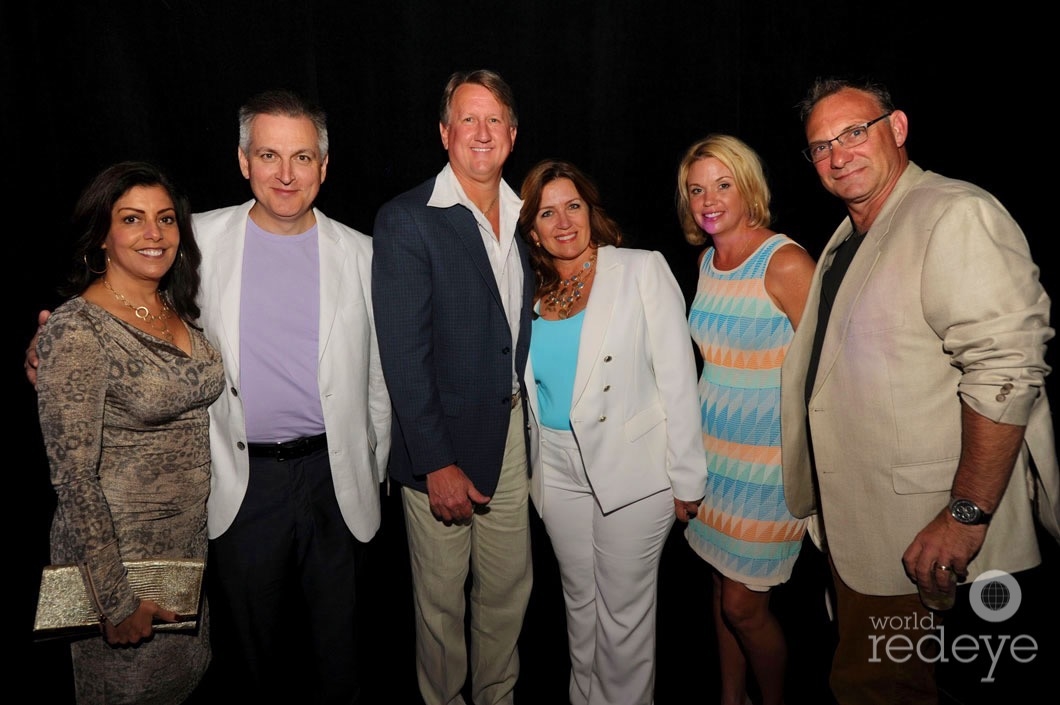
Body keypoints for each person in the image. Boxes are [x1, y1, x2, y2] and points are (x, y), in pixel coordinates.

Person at [28, 90, 391, 704]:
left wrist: (371, 468)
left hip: (337, 483)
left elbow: (378, 381)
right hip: (240, 485)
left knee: (342, 660)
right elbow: (116, 311)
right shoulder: (189, 238)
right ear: (243, 161)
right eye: (269, 154)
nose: (285, 173)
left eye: (302, 157)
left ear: (324, 167)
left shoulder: (363, 253)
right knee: (250, 663)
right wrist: (47, 345)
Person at [781, 76, 1059, 704]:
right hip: (872, 522)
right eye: (820, 146)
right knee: (874, 680)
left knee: (884, 686)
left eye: (854, 133)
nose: (838, 154)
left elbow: (1005, 372)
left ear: (897, 128)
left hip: (930, 529)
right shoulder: (849, 236)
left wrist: (966, 514)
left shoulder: (954, 212)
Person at [371, 69, 533, 705]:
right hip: (439, 446)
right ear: (445, 134)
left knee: (507, 594)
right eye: (468, 118)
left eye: (495, 119)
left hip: (512, 437)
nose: (482, 132)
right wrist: (435, 460)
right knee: (440, 606)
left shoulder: (527, 217)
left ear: (513, 136)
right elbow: (403, 356)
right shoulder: (409, 220)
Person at [518, 159, 706, 705]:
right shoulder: (530, 290)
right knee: (580, 606)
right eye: (547, 213)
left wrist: (688, 478)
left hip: (632, 468)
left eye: (572, 206)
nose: (563, 222)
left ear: (590, 211)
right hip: (555, 469)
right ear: (532, 229)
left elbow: (677, 375)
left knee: (623, 618)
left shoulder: (640, 269)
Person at [35, 161, 224, 704]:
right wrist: (114, 601)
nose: (154, 234)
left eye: (165, 219)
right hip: (117, 569)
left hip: (184, 559)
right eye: (133, 219)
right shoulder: (78, 327)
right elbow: (72, 477)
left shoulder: (172, 307)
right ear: (102, 235)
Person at [676, 135, 816, 705]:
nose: (709, 200)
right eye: (696, 189)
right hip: (715, 458)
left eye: (723, 184)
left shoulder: (784, 260)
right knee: (718, 584)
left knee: (743, 603)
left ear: (748, 186)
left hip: (771, 465)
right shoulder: (707, 260)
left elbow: (829, 370)